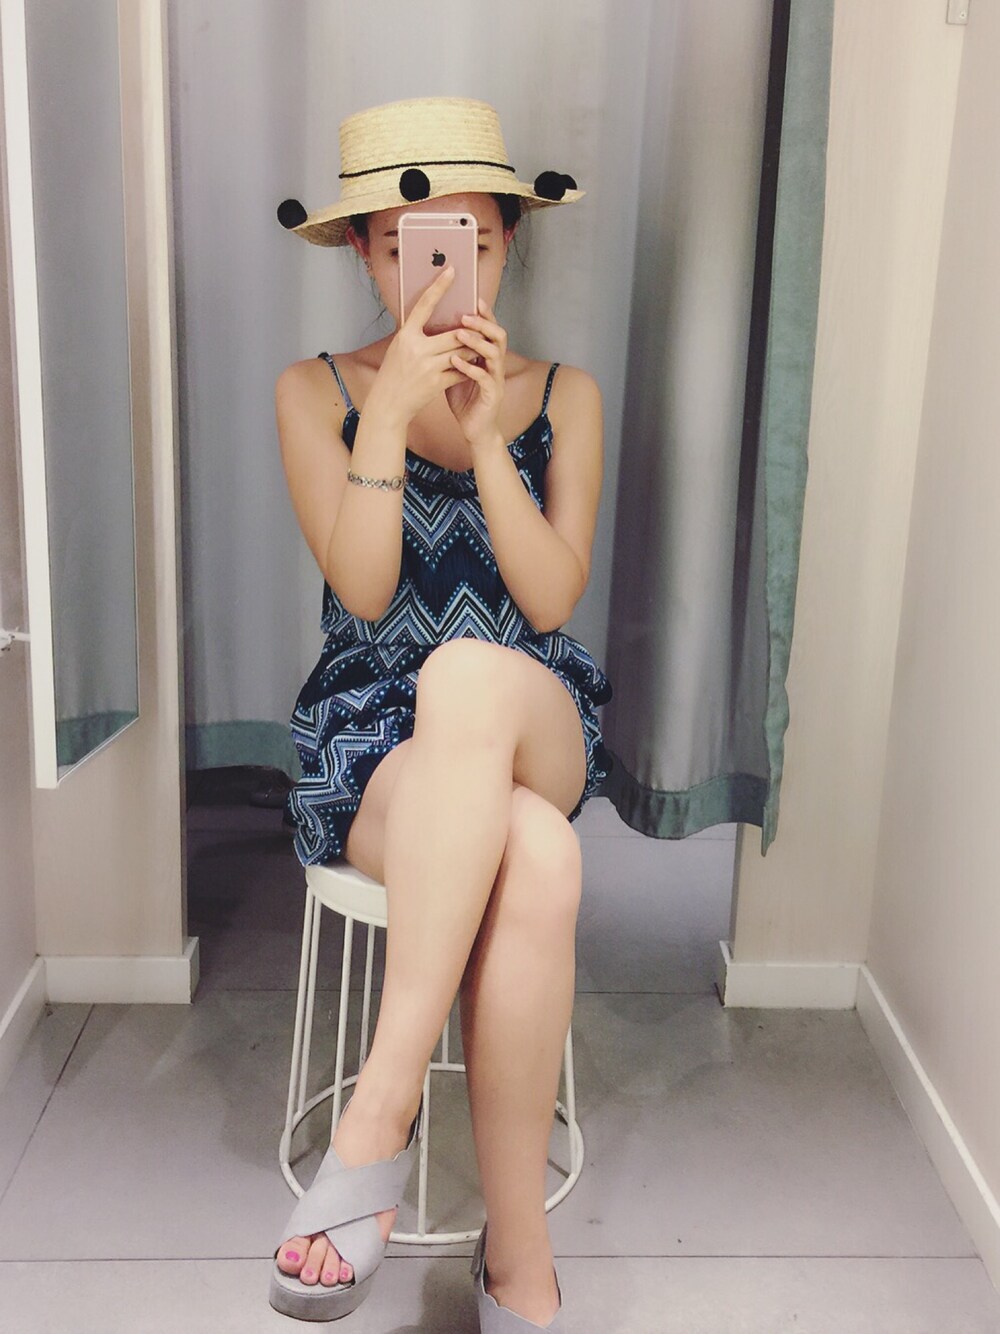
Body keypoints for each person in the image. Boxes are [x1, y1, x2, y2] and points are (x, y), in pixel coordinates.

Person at [270, 96, 613, 1330]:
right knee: (540, 853)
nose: (435, 270)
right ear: (367, 256)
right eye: (406, 245)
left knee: (468, 667)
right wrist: (386, 412)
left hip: (531, 707)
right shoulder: (313, 391)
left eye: (470, 240)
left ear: (506, 245)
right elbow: (365, 592)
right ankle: (518, 1255)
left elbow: (550, 597)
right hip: (375, 733)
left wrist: (481, 435)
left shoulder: (564, 392)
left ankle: (381, 1108)